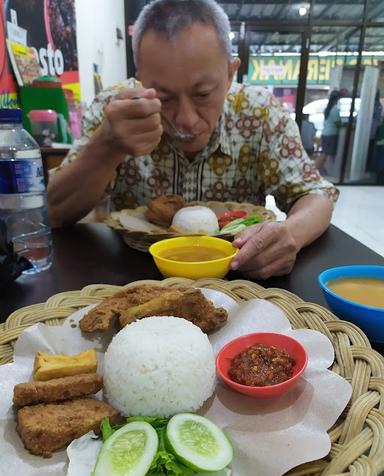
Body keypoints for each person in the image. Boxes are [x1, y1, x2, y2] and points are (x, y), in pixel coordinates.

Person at [47, 0, 339, 280]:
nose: (185, 119)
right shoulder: (114, 109)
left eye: (203, 94)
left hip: (236, 276)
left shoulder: (259, 111)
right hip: (131, 277)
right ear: (140, 80)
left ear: (229, 74)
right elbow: (55, 213)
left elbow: (316, 195)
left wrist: (291, 234)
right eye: (164, 97)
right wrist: (107, 145)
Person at [315, 90, 342, 173]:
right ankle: (315, 169)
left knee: (324, 153)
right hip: (331, 134)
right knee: (325, 154)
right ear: (336, 99)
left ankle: (320, 169)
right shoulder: (335, 110)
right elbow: (338, 123)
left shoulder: (327, 108)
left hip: (325, 133)